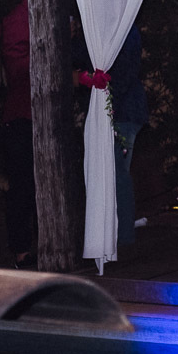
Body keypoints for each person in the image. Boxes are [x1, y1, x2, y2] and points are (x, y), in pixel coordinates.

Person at [74, 20, 146, 247]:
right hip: (119, 109)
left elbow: (123, 72)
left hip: (122, 111)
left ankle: (122, 237)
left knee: (116, 174)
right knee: (114, 174)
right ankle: (116, 234)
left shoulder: (121, 27)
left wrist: (92, 83)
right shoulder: (110, 26)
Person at [0, 0, 35, 269]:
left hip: (41, 118)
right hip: (22, 118)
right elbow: (18, 67)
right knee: (22, 187)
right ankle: (22, 250)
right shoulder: (16, 19)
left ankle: (34, 244)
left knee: (34, 187)